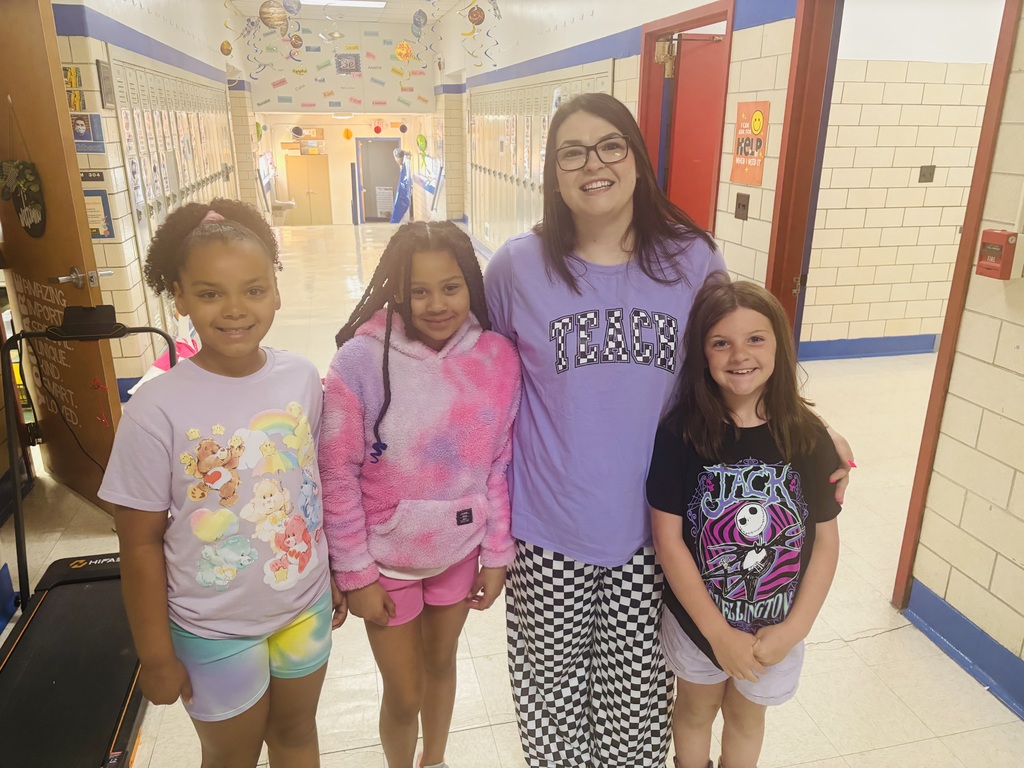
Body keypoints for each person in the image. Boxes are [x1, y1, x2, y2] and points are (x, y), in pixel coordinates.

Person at [484, 92, 853, 767]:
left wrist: (808, 427)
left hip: (660, 534)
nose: (593, 164)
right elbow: (482, 384)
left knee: (635, 719)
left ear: (636, 158)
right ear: (552, 172)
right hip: (549, 530)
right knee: (551, 712)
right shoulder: (518, 266)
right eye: (572, 152)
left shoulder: (690, 257)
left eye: (610, 145)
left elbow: (732, 363)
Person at [99, 198, 346, 768]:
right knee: (231, 756)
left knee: (296, 735)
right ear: (179, 297)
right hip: (211, 629)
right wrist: (155, 655)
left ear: (276, 291)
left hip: (303, 607)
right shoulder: (155, 408)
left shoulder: (301, 378)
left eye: (253, 290)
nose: (235, 309)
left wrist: (330, 570)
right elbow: (138, 542)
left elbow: (308, 488)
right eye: (210, 293)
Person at [320, 220, 521, 768]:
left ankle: (434, 760)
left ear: (470, 285)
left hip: (459, 549)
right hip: (386, 560)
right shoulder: (359, 362)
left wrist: (496, 555)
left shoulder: (498, 359)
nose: (436, 304)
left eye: (451, 287)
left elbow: (499, 463)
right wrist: (355, 574)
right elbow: (336, 474)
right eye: (419, 290)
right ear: (397, 291)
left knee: (441, 665)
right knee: (405, 692)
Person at [647, 275, 841, 768]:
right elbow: (669, 541)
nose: (740, 355)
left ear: (779, 345)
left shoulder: (807, 436)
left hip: (777, 625)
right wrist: (717, 633)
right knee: (696, 710)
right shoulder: (679, 435)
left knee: (747, 718)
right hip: (699, 623)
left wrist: (795, 628)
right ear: (702, 353)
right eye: (721, 343)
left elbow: (825, 541)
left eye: (755, 338)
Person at [390, 148, 413, 224]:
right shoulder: (403, 166)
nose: (397, 161)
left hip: (405, 192)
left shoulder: (405, 165)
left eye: (398, 159)